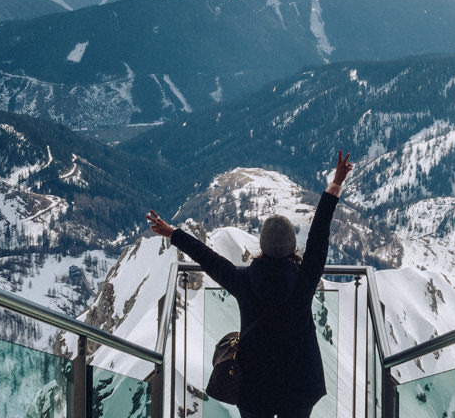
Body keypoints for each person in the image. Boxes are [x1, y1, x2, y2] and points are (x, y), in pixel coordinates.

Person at [146, 151, 354, 418]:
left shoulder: (244, 280)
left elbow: (208, 259)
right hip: (300, 382)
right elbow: (318, 235)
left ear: (263, 247)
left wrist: (173, 233)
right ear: (292, 248)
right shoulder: (305, 280)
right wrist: (335, 184)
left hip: (254, 385)